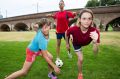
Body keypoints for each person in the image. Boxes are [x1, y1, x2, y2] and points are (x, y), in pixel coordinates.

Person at [65, 9, 100, 79]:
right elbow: (66, 33)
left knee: (92, 47)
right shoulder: (73, 29)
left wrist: (95, 42)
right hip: (76, 43)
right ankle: (80, 74)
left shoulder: (94, 31)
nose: (87, 21)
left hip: (85, 42)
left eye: (89, 19)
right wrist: (67, 43)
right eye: (84, 18)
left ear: (91, 20)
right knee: (81, 59)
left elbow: (95, 52)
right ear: (79, 19)